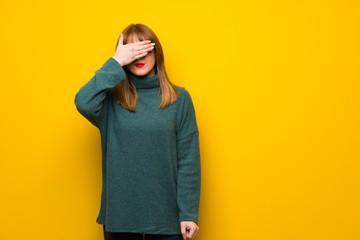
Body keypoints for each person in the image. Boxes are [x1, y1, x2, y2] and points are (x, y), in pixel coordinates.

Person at [74, 23, 201, 240]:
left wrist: (188, 213)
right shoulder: (110, 100)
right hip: (120, 216)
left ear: (157, 52)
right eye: (131, 50)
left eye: (145, 48)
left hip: (167, 216)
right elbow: (83, 102)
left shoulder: (180, 99)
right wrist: (114, 63)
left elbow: (188, 160)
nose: (138, 55)